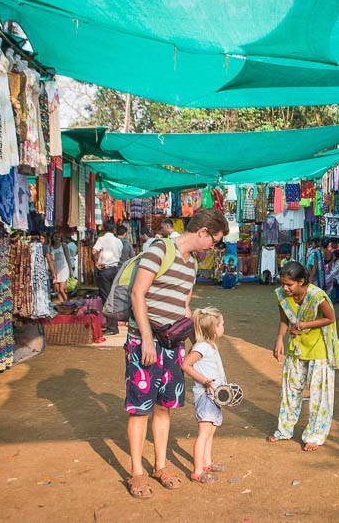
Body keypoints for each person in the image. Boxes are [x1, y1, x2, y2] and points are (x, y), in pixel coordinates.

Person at [124, 208, 228, 498]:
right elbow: (137, 294)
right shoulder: (159, 250)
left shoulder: (192, 264)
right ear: (203, 233)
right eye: (215, 241)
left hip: (173, 345)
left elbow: (184, 306)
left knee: (164, 406)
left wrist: (195, 343)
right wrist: (145, 338)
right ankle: (136, 472)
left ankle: (159, 465)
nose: (213, 248)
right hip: (144, 341)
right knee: (139, 409)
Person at [268, 262, 339, 452]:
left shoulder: (316, 296)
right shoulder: (281, 295)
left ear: (301, 281)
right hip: (297, 347)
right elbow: (284, 319)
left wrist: (303, 325)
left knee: (319, 395)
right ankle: (284, 429)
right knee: (290, 390)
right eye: (283, 283)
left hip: (319, 348)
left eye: (289, 285)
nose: (285, 288)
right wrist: (279, 339)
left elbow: (330, 318)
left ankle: (315, 435)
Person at [181, 307, 228, 484]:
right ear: (212, 328)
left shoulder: (210, 346)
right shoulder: (201, 347)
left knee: (211, 430)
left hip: (215, 395)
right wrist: (205, 381)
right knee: (203, 433)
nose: (223, 327)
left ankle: (207, 462)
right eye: (221, 324)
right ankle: (197, 471)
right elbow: (186, 365)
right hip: (206, 396)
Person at [93, 222, 124, 335]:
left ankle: (112, 327)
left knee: (106, 298)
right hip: (115, 270)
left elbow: (94, 251)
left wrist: (96, 262)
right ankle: (113, 325)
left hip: (105, 270)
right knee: (113, 298)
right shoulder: (118, 241)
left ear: (104, 229)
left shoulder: (101, 239)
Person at [46, 233, 72, 303]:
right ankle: (62, 305)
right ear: (52, 238)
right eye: (55, 236)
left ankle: (68, 303)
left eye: (59, 237)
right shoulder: (50, 247)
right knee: (57, 290)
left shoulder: (63, 245)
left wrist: (70, 269)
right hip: (55, 269)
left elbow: (68, 258)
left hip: (63, 268)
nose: (57, 238)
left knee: (61, 289)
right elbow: (50, 260)